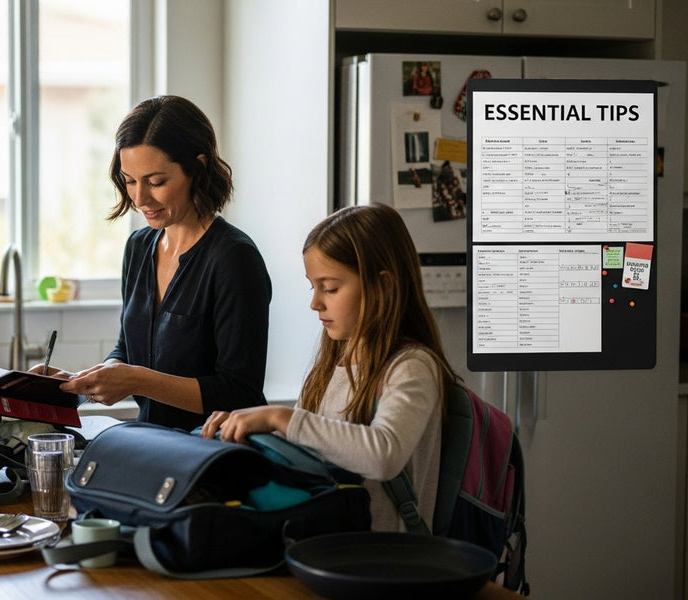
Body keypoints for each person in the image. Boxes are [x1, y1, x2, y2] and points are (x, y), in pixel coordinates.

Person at [199, 204, 458, 532]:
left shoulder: (412, 367)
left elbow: (384, 455)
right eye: (314, 286)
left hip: (388, 563)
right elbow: (309, 449)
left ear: (384, 286)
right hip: (330, 546)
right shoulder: (331, 363)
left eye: (330, 288)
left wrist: (280, 417)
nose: (315, 302)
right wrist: (249, 431)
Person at [41, 95, 272, 431]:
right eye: (130, 181)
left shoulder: (233, 259)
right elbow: (128, 349)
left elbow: (240, 393)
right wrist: (83, 381)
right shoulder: (138, 247)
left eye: (156, 182)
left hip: (211, 454)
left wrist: (135, 381)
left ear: (198, 168)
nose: (139, 199)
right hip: (153, 442)